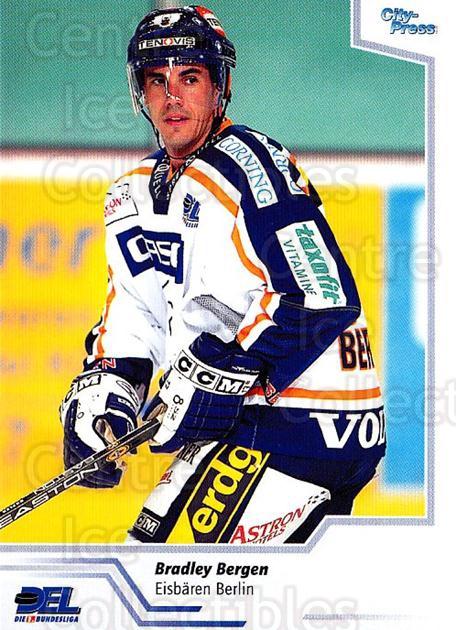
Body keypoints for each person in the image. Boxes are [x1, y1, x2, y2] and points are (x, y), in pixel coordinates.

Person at [60, 5, 386, 545]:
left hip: (309, 424)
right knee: (147, 561)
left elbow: (323, 296)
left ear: (220, 87)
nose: (172, 97)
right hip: (240, 426)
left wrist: (220, 366)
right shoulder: (129, 193)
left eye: (190, 78)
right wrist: (110, 388)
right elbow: (136, 311)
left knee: (193, 578)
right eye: (157, 80)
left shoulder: (249, 165)